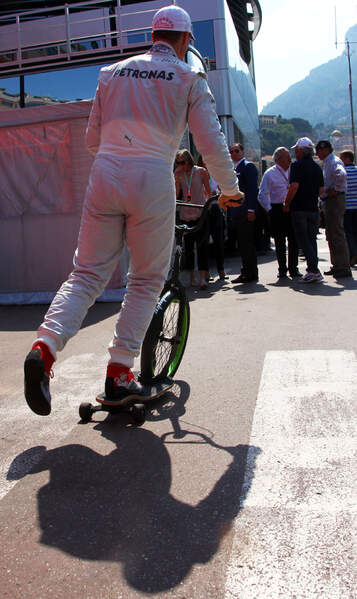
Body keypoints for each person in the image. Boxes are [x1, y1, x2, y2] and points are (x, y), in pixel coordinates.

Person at [23, 4, 243, 416]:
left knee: (86, 273)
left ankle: (44, 348)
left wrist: (116, 158)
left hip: (105, 174)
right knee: (144, 280)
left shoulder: (112, 73)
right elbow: (210, 140)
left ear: (154, 35)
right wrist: (229, 190)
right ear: (185, 40)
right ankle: (120, 370)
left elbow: (92, 140)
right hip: (152, 178)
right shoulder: (188, 76)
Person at [284, 137, 324, 283]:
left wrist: (286, 203)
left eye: (296, 149)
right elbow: (321, 189)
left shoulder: (296, 166)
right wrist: (311, 196)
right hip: (313, 208)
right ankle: (313, 268)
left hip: (299, 208)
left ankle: (313, 270)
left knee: (304, 240)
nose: (295, 152)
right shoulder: (317, 167)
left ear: (301, 151)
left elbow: (294, 186)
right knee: (311, 239)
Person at [258, 147, 301, 278]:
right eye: (286, 156)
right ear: (278, 159)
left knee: (294, 240)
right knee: (279, 240)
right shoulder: (270, 173)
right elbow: (262, 195)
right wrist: (270, 210)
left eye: (289, 156)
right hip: (277, 208)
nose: (289, 158)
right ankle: (282, 268)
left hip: (292, 207)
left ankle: (294, 268)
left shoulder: (294, 170)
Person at [175, 149, 210, 288]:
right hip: (185, 213)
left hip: (200, 211)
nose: (180, 165)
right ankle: (192, 278)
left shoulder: (201, 171)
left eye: (182, 162)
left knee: (202, 245)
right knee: (188, 248)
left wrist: (208, 206)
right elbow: (177, 194)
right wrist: (176, 179)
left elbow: (208, 191)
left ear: (189, 160)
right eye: (178, 163)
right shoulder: (179, 173)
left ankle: (202, 278)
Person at [316, 140, 352, 278]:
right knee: (331, 234)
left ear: (325, 150)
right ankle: (337, 265)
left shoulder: (333, 161)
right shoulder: (328, 161)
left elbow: (341, 175)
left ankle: (342, 266)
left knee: (336, 233)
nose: (318, 154)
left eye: (319, 151)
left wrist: (335, 190)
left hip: (334, 200)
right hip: (331, 200)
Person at [227, 143, 259, 283]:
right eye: (231, 151)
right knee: (242, 243)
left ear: (242, 151)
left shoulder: (247, 166)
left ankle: (250, 272)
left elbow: (252, 190)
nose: (234, 153)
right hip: (236, 211)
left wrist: (251, 209)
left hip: (245, 210)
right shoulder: (233, 168)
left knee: (247, 243)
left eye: (236, 151)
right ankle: (247, 271)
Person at [196, 154, 228, 280]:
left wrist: (217, 193)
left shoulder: (215, 174)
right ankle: (206, 272)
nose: (206, 164)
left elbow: (222, 190)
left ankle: (221, 269)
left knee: (218, 240)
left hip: (215, 207)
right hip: (203, 209)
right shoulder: (197, 175)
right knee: (202, 242)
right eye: (204, 162)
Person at [339, 149, 357, 267]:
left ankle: (353, 253)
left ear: (346, 159)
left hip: (346, 206)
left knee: (348, 231)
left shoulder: (343, 172)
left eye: (341, 158)